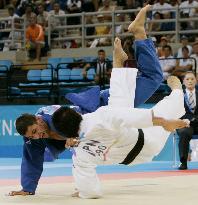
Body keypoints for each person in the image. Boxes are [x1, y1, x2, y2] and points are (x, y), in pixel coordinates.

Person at [9, 4, 163, 196]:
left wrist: (74, 136)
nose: (36, 136)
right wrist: (27, 188)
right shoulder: (33, 137)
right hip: (108, 116)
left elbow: (76, 121)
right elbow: (31, 160)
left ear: (38, 120)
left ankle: (135, 40)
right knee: (81, 147)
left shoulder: (49, 114)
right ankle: (124, 57)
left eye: (34, 131)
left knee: (152, 78)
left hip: (104, 105)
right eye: (31, 136)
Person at [51, 5, 189, 198]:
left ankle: (120, 63)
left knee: (120, 108)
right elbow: (131, 116)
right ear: (76, 114)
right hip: (146, 140)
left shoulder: (79, 154)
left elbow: (92, 192)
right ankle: (129, 66)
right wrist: (165, 122)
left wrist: (83, 191)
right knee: (171, 100)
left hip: (136, 153)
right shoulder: (98, 118)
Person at [177, 71, 198, 170]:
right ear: (183, 82)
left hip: (197, 123)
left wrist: (193, 120)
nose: (190, 81)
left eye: (192, 79)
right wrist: (186, 121)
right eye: (187, 79)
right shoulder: (178, 96)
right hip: (184, 124)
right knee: (184, 132)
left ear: (196, 81)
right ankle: (183, 162)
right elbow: (177, 112)